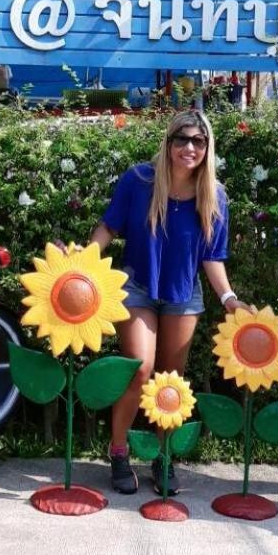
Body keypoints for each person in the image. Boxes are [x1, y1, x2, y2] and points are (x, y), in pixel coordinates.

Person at [89, 109, 245, 495]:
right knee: (139, 369)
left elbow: (212, 257)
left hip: (183, 295)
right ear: (169, 142)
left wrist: (229, 298)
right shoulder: (139, 180)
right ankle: (119, 451)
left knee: (170, 381)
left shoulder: (214, 195)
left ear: (207, 148)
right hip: (137, 287)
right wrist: (83, 262)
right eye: (182, 139)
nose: (189, 148)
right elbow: (109, 226)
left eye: (198, 141)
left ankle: (163, 457)